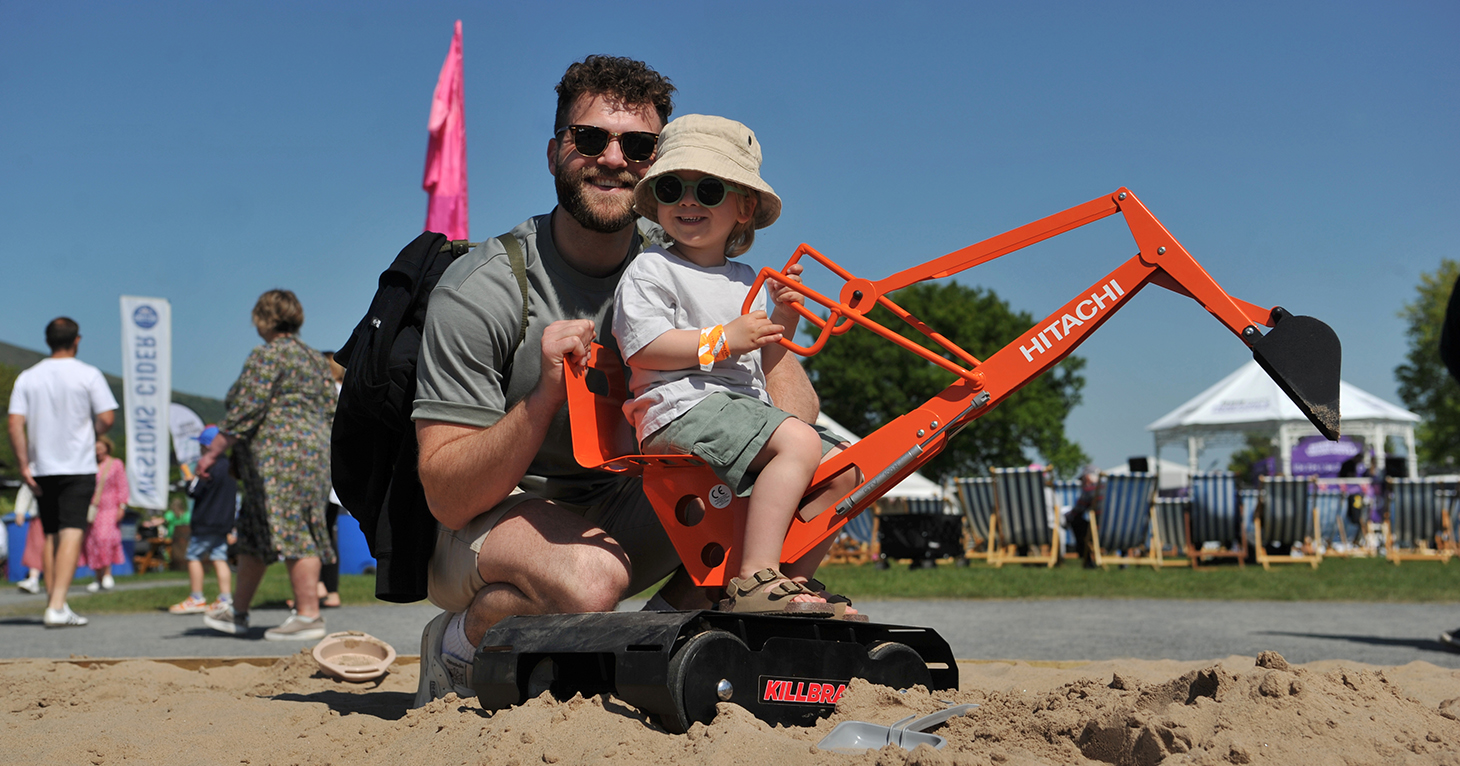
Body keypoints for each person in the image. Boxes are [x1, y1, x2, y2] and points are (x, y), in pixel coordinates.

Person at [410, 56, 851, 705]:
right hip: (496, 518)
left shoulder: (688, 256)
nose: (613, 158)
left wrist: (767, 328)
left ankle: (660, 641)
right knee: (590, 578)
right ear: (555, 152)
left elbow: (796, 421)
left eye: (639, 146)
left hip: (631, 494)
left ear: (658, 165)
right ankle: (456, 647)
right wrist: (546, 394)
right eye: (590, 138)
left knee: (825, 482)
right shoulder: (485, 287)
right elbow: (449, 497)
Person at [612, 113, 856, 616]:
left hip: (737, 410)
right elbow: (644, 347)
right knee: (798, 441)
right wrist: (723, 339)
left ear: (743, 207)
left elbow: (766, 360)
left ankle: (792, 582)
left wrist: (783, 318)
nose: (688, 201)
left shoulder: (746, 278)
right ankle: (755, 578)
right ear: (656, 201)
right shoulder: (651, 268)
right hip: (679, 409)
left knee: (846, 467)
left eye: (708, 190)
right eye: (673, 188)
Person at [197, 289, 336, 641]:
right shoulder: (315, 359)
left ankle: (308, 614)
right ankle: (238, 612)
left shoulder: (268, 354)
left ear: (262, 318)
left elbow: (247, 407)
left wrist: (213, 452)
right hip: (313, 454)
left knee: (296, 529)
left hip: (278, 458)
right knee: (255, 533)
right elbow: (331, 409)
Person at [6, 317, 118, 627]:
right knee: (72, 530)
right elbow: (107, 418)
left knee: (51, 532)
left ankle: (54, 602)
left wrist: (23, 464)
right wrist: (90, 432)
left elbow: (14, 423)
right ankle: (57, 607)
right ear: (77, 340)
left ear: (48, 340)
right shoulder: (88, 374)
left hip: (42, 466)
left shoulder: (28, 376)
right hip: (77, 464)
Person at [169, 425, 236, 615]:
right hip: (224, 521)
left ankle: (196, 597)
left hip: (205, 520)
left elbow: (194, 492)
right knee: (219, 557)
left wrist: (190, 479)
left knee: (194, 557)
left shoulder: (206, 466)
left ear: (207, 446)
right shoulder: (229, 466)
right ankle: (225, 598)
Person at [80, 435, 128, 592]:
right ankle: (97, 577)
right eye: (95, 449)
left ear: (107, 448)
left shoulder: (115, 464)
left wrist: (122, 505)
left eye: (100, 448)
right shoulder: (88, 464)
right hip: (92, 509)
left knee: (105, 539)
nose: (98, 452)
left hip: (110, 507)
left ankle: (107, 573)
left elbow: (122, 485)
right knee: (92, 542)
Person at [1062, 466, 1102, 568]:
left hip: (1099, 531)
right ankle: (1124, 559)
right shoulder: (1114, 489)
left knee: (1076, 521)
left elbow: (1077, 512)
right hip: (1123, 533)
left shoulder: (1090, 490)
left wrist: (1065, 517)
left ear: (1087, 478)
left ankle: (1087, 559)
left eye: (1082, 480)